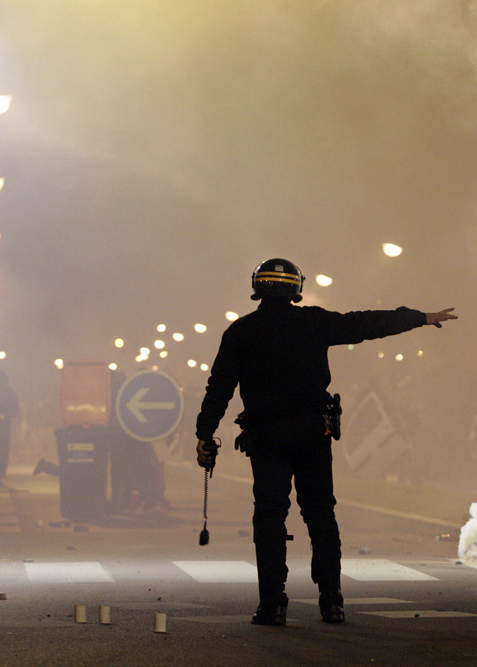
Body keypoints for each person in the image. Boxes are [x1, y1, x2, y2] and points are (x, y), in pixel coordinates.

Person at [194, 258, 457, 627]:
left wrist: (205, 434)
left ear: (258, 287)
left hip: (266, 438)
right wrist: (420, 317)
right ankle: (331, 600)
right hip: (312, 435)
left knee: (269, 516)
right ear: (295, 288)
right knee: (320, 514)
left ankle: (272, 604)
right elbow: (366, 323)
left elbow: (219, 388)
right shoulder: (314, 323)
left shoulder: (240, 332)